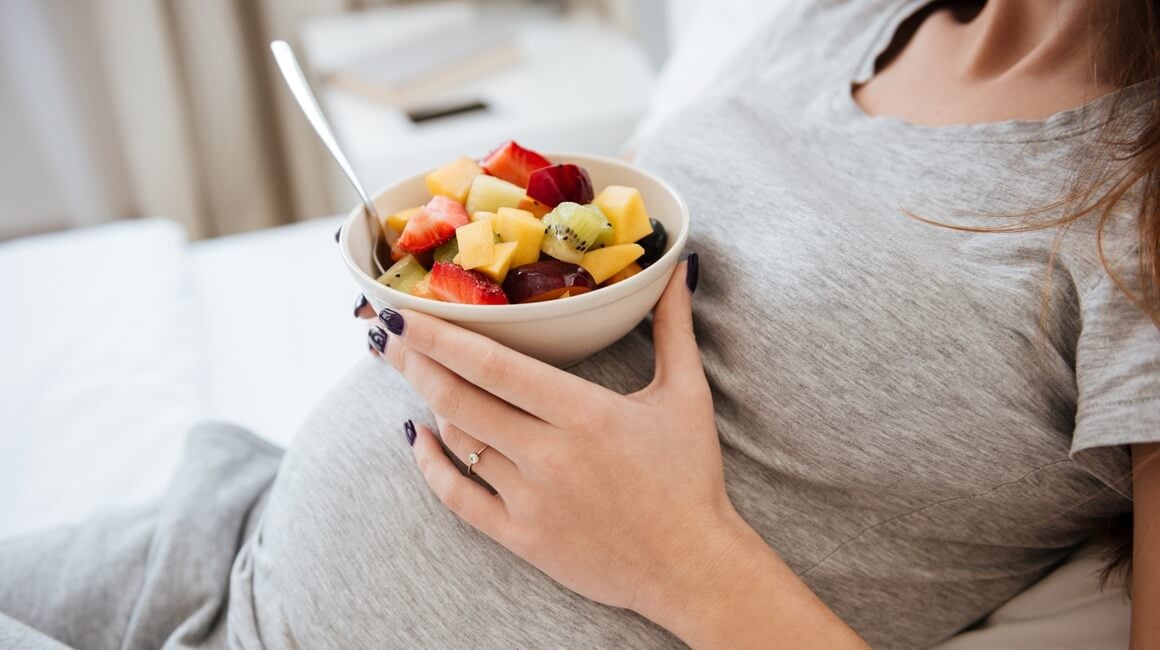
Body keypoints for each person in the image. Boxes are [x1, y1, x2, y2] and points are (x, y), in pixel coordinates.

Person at [2, 1, 1158, 648]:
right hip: (222, 551)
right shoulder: (845, 19)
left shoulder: (1136, 213)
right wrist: (467, 282)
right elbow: (627, 237)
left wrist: (682, 557)